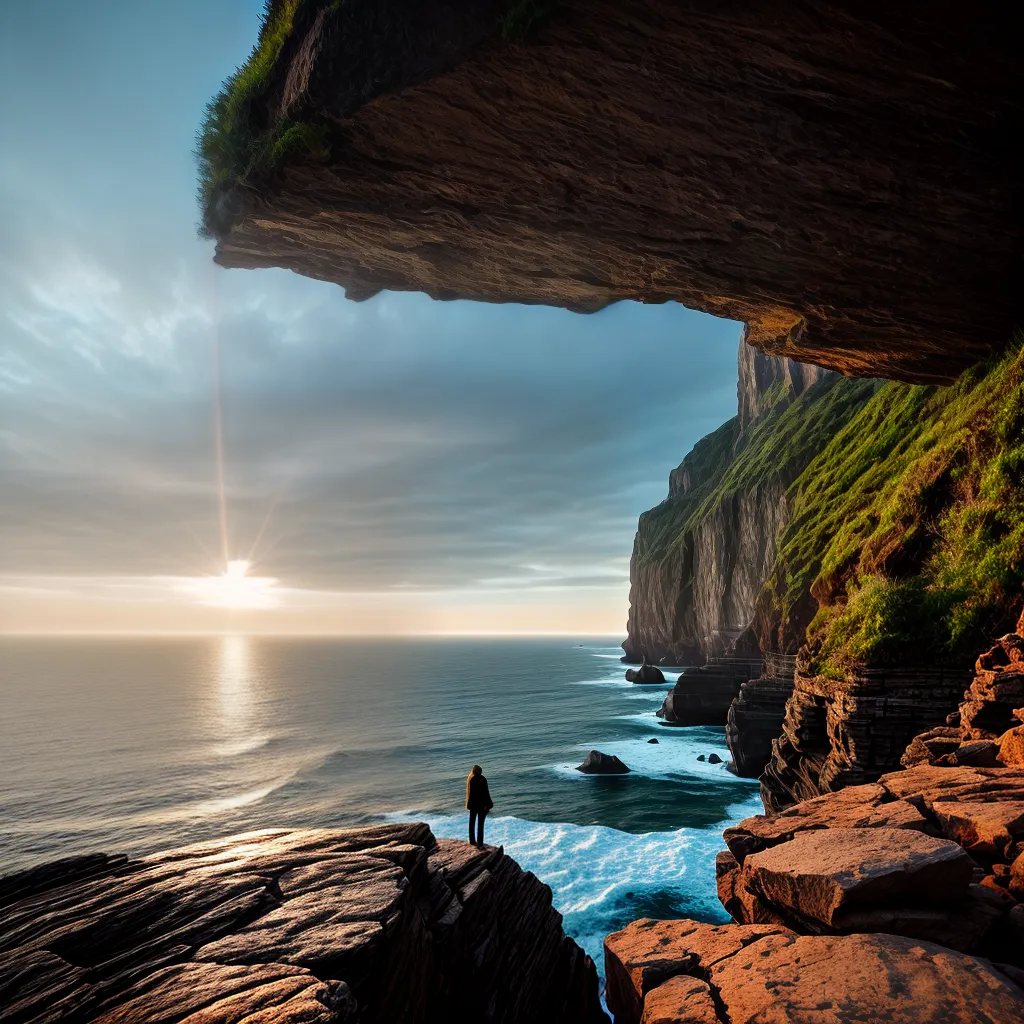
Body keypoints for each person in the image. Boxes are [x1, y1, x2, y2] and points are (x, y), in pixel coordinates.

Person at [465, 764, 493, 847]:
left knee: (472, 823)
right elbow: (486, 793)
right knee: (480, 825)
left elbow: (470, 794)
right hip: (481, 805)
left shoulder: (471, 779)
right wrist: (489, 804)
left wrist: (469, 805)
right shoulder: (483, 779)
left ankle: (472, 840)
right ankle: (480, 843)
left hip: (473, 805)